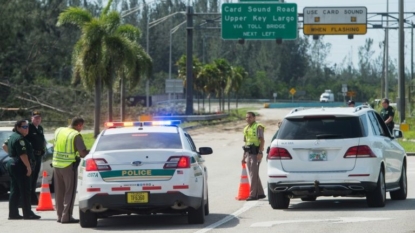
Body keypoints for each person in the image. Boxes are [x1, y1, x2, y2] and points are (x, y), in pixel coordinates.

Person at [2, 120, 41, 220]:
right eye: (24, 127)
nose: (27, 128)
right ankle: (27, 213)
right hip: (20, 165)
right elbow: (23, 154)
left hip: (13, 163)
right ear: (18, 128)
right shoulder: (20, 139)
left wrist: (12, 154)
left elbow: (4, 146)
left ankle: (13, 213)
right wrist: (28, 167)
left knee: (15, 190)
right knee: (25, 190)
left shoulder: (13, 136)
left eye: (27, 126)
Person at [53, 117, 89, 224]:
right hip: (68, 165)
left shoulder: (59, 130)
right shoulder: (75, 135)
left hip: (56, 164)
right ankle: (67, 217)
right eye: (82, 126)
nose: (82, 128)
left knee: (59, 192)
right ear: (79, 125)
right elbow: (82, 153)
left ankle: (59, 216)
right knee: (70, 192)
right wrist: (91, 153)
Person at [242, 112, 266, 201]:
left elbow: (262, 141)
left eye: (250, 117)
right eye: (247, 117)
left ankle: (253, 195)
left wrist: (260, 152)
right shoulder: (246, 128)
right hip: (248, 153)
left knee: (253, 174)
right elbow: (246, 143)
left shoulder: (258, 127)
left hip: (256, 153)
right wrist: (243, 157)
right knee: (254, 173)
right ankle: (260, 193)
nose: (248, 119)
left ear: (254, 118)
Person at [25, 111, 46, 205]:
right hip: (31, 156)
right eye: (35, 118)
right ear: (31, 118)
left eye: (39, 118)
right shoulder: (28, 127)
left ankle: (32, 197)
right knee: (30, 177)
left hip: (38, 155)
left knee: (35, 177)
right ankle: (28, 198)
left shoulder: (40, 128)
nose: (37, 119)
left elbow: (42, 140)